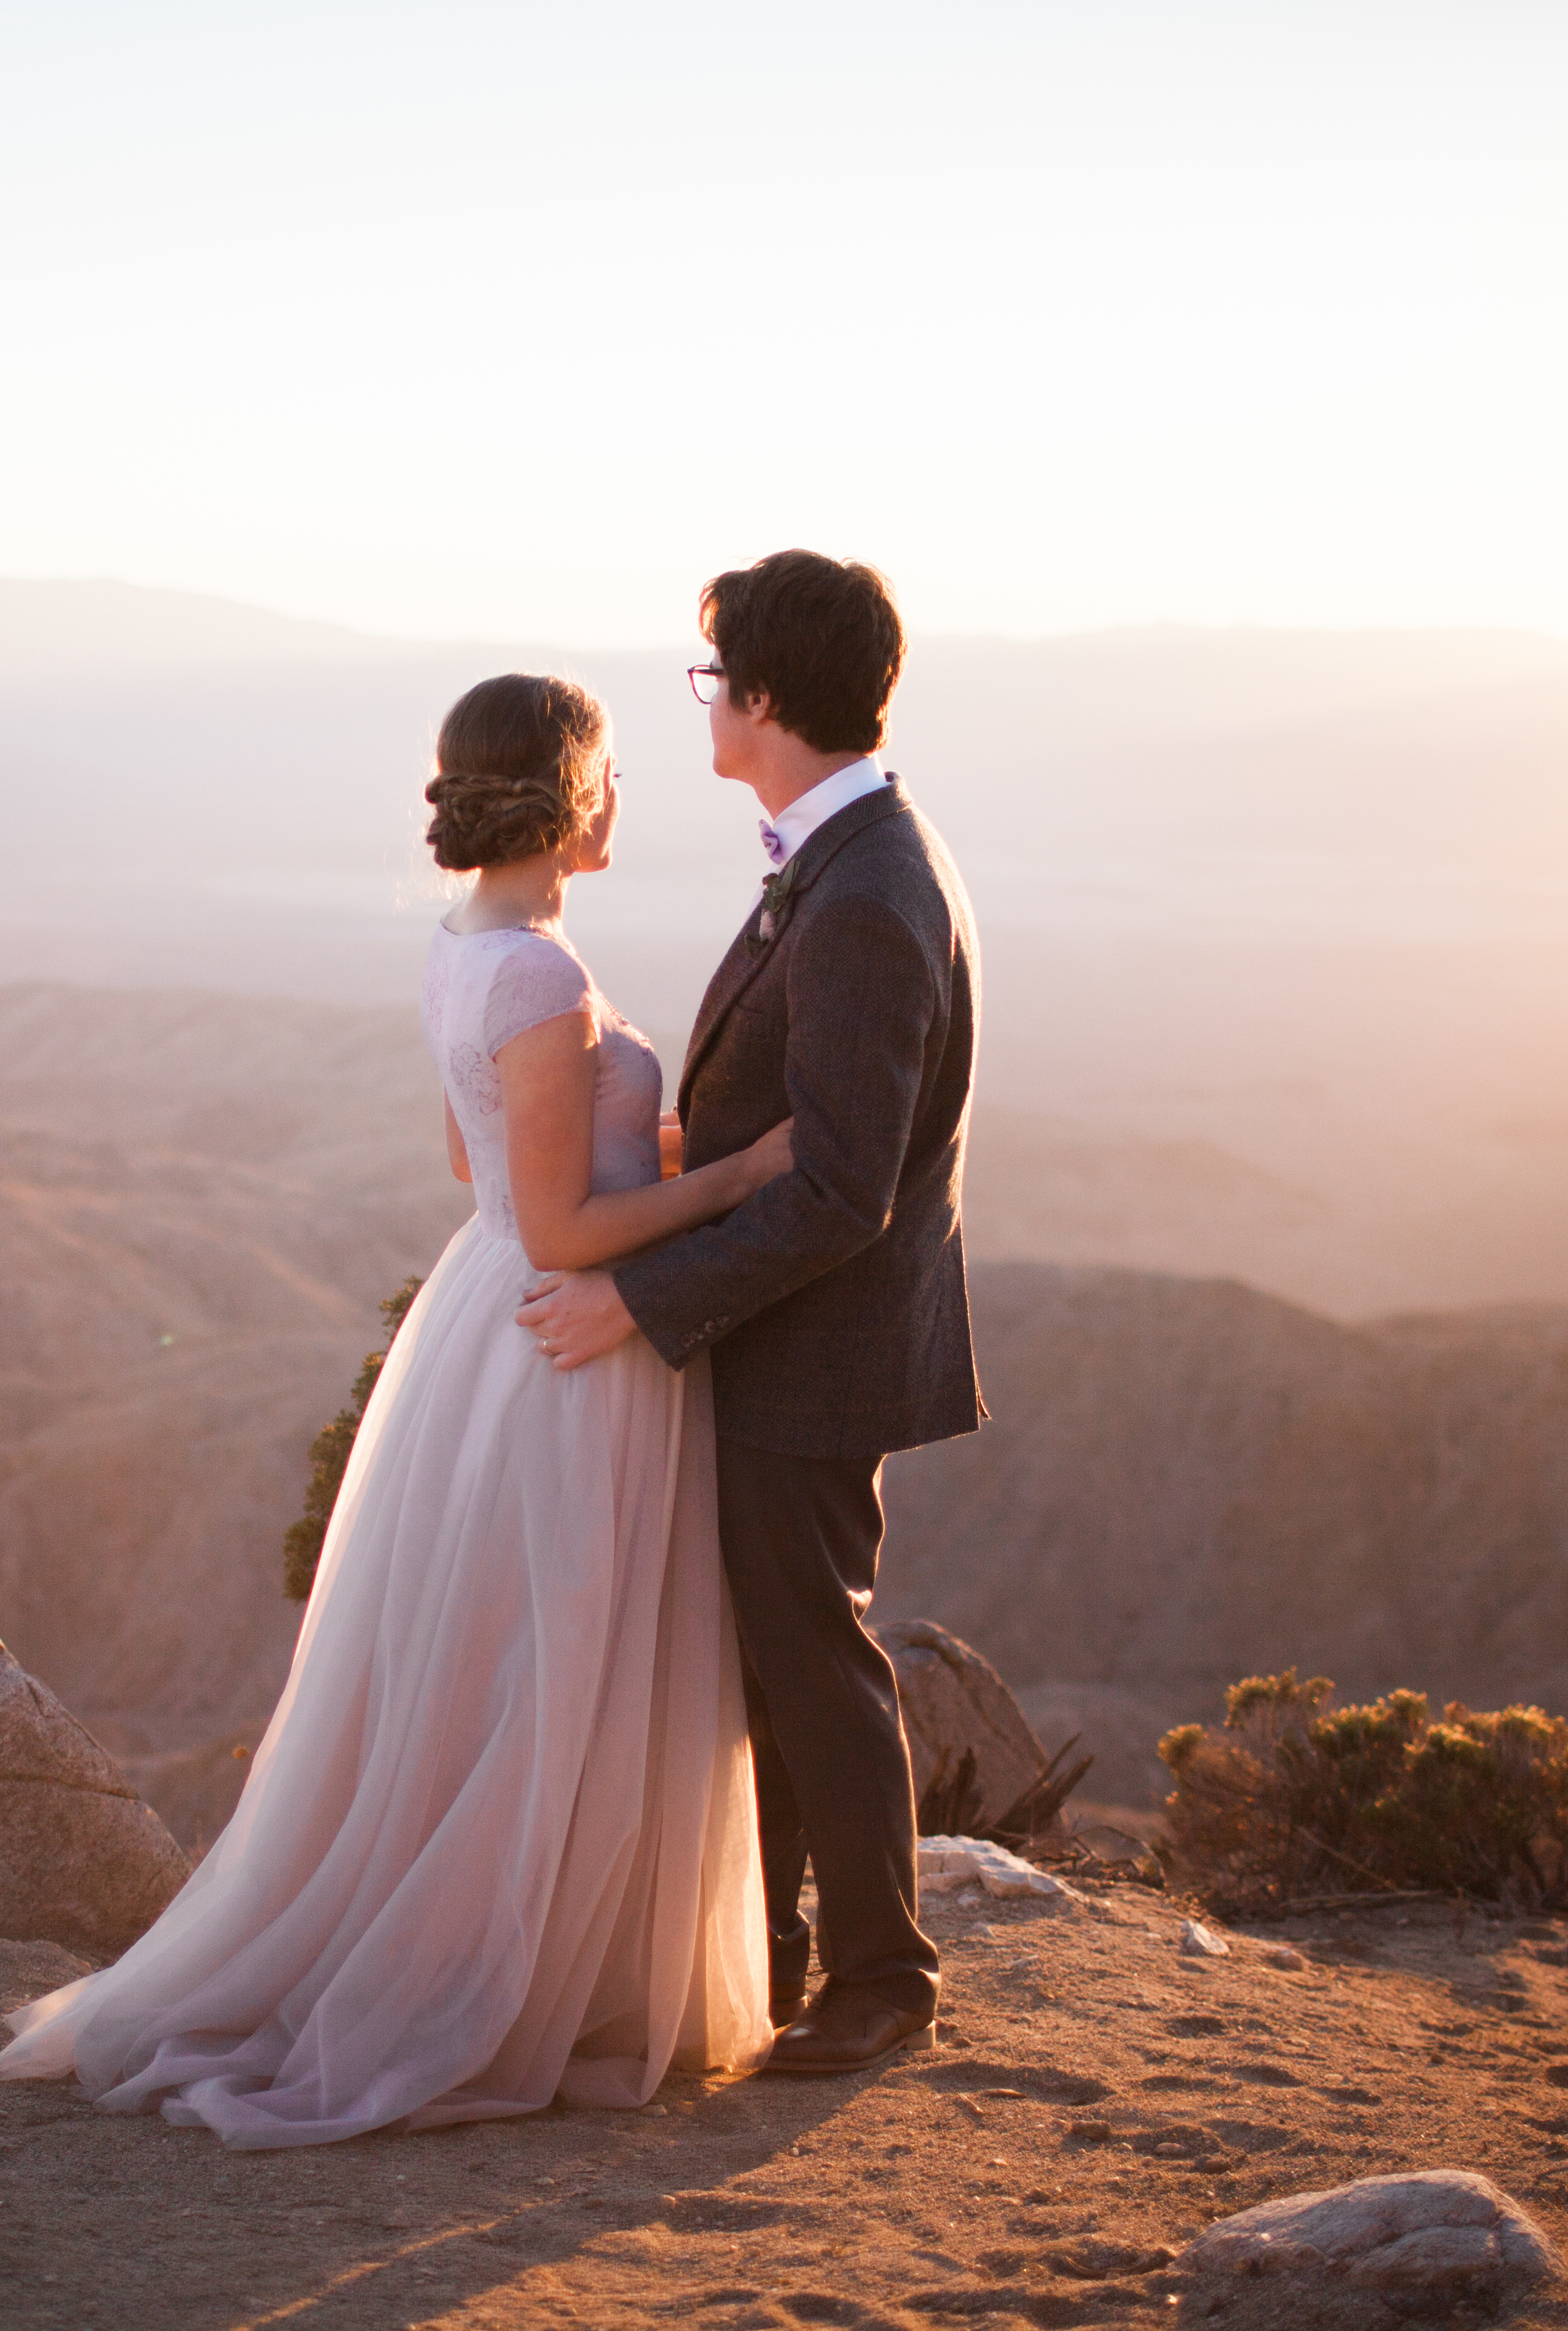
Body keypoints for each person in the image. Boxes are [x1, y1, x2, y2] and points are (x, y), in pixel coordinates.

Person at [0, 672, 781, 2145]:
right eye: (608, 772)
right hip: (559, 1339)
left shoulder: (477, 944)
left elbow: (480, 1156)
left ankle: (543, 1964)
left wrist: (645, 1142)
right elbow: (554, 1228)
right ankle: (517, 1985)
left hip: (488, 1322)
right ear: (561, 793)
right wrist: (740, 1178)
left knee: (506, 1662)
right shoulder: (540, 974)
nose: (622, 798)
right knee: (551, 1661)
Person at [515, 550, 982, 2077]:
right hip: (787, 1336)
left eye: (717, 679)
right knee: (772, 1657)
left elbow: (843, 1187)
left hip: (815, 1349)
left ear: (769, 697)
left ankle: (880, 1980)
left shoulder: (865, 893)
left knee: (810, 1653)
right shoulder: (844, 858)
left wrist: (643, 1299)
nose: (709, 705)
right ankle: (776, 1959)